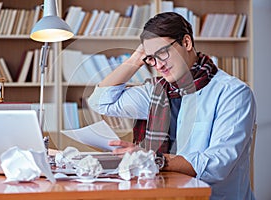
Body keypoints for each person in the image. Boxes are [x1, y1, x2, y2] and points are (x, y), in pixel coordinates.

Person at [87, 12, 256, 200]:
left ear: (186, 43)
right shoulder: (156, 92)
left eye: (162, 53)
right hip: (162, 194)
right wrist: (137, 58)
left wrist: (152, 159)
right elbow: (101, 102)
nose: (158, 65)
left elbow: (217, 165)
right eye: (151, 58)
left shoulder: (233, 93)